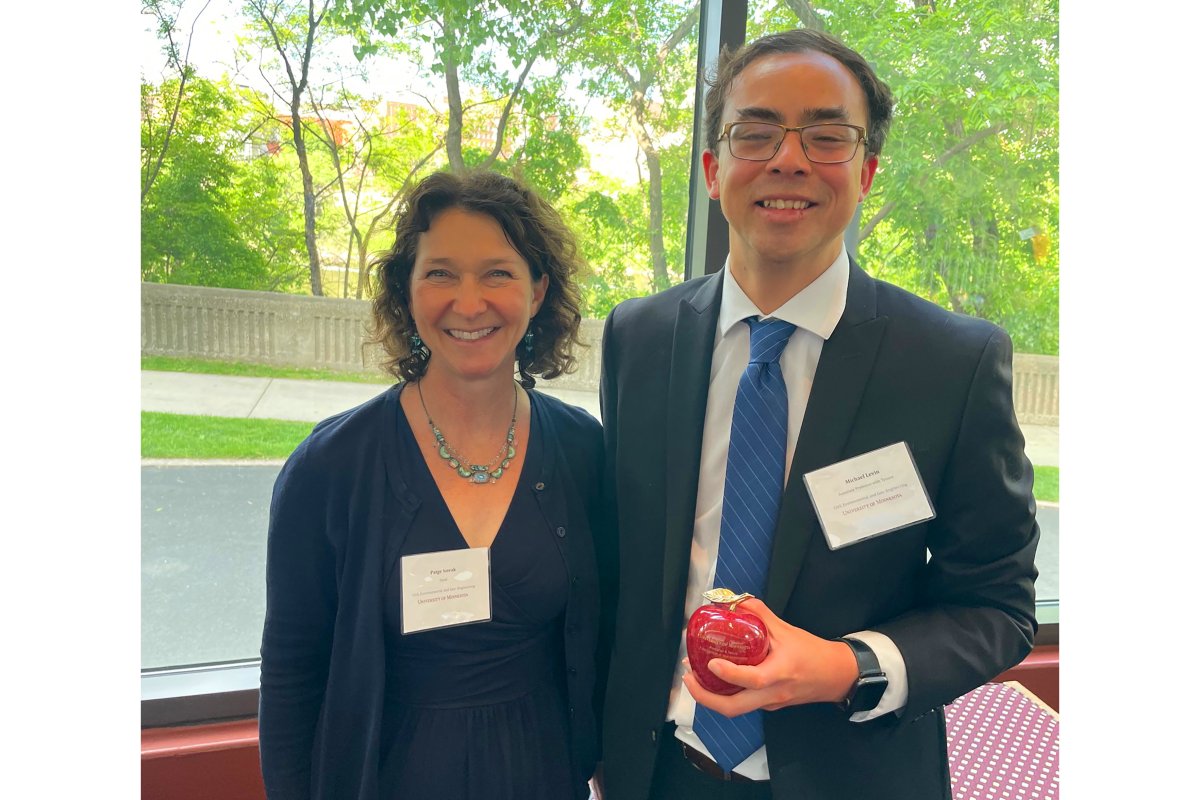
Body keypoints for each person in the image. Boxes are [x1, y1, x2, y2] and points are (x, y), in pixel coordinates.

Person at [597, 28, 1039, 800]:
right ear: (712, 169)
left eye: (826, 136)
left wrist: (845, 666)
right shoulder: (639, 337)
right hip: (660, 770)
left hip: (853, 774)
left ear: (866, 171)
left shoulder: (950, 363)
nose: (788, 159)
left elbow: (996, 605)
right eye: (755, 132)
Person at [258, 169, 609, 800]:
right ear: (407, 291)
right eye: (440, 273)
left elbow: (607, 634)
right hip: (386, 776)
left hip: (542, 773)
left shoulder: (584, 452)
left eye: (497, 272)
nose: (468, 303)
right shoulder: (329, 468)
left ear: (537, 291)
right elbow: (291, 675)